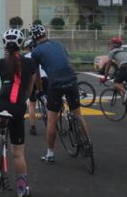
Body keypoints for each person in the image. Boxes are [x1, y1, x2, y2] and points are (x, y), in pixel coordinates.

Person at [0, 28, 36, 197]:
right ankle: (21, 191)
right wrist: (22, 102)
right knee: (18, 153)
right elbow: (29, 89)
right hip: (17, 108)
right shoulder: (30, 64)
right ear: (21, 44)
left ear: (4, 44)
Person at [28, 24, 89, 165]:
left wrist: (40, 89)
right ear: (45, 34)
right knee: (78, 114)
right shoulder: (58, 44)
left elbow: (36, 75)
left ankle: (50, 154)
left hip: (55, 84)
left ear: (33, 38)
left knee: (51, 120)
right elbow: (65, 60)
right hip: (71, 79)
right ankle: (88, 143)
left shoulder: (35, 52)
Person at [24, 39, 48, 136]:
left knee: (32, 105)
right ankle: (50, 124)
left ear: (29, 48)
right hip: (45, 78)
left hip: (32, 80)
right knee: (47, 102)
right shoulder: (42, 54)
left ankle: (33, 127)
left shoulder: (26, 57)